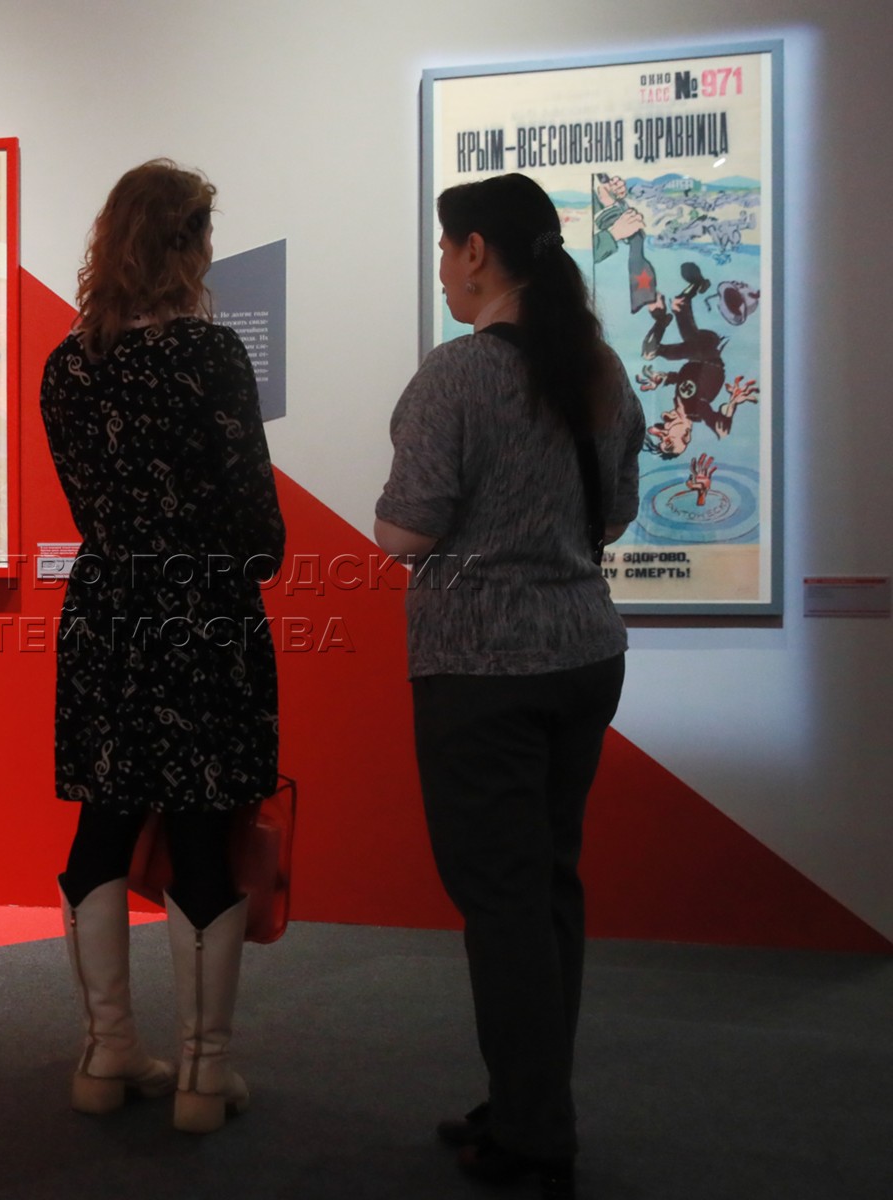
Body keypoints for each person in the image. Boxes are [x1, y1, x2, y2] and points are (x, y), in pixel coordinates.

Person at [375, 172, 645, 1198]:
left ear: (478, 252)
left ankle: (534, 1132)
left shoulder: (456, 375)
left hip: (481, 668)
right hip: (583, 652)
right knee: (547, 889)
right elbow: (613, 514)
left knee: (502, 904)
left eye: (448, 251)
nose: (444, 269)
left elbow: (405, 531)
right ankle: (529, 1097)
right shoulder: (601, 369)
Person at [38, 160, 285, 1136]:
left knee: (102, 826)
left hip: (106, 610)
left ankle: (104, 1054)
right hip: (203, 612)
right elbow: (257, 527)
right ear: (186, 243)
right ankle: (201, 1076)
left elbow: (90, 505)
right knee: (202, 834)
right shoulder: (210, 355)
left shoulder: (68, 365)